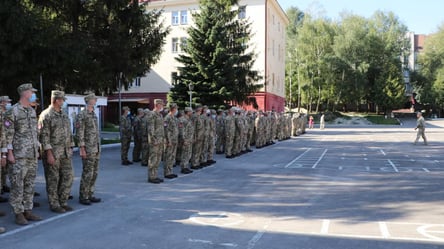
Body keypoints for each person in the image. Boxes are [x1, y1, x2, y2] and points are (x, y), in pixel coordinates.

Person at [4, 83, 42, 225]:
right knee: (17, 185)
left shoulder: (31, 111)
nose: (33, 94)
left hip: (31, 154)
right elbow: (8, 134)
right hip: (18, 155)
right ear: (25, 93)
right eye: (31, 92)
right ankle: (18, 213)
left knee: (30, 184)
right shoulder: (13, 111)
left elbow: (34, 133)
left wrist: (37, 150)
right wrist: (9, 153)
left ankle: (28, 210)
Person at [38, 90, 74, 213]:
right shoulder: (46, 115)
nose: (63, 102)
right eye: (62, 100)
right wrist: (49, 154)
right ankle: (54, 204)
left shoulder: (63, 114)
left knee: (68, 177)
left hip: (64, 153)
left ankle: (63, 201)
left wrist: (70, 147)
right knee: (53, 179)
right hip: (53, 153)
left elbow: (69, 133)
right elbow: (44, 136)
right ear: (56, 100)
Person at [77, 93, 101, 205]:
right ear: (88, 100)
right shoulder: (82, 115)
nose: (95, 99)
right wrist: (82, 148)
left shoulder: (93, 114)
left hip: (96, 148)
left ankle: (90, 193)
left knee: (94, 173)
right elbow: (80, 133)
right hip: (88, 148)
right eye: (94, 98)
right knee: (87, 173)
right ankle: (83, 195)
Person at [147, 99, 165, 184]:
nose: (162, 106)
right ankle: (151, 177)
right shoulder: (152, 114)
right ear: (157, 104)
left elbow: (161, 129)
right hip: (155, 141)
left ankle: (155, 175)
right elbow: (150, 129)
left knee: (158, 159)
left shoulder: (160, 115)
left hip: (160, 140)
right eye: (161, 104)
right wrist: (154, 140)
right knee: (153, 158)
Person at [0, 95, 12, 203]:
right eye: (7, 102)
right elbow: (4, 129)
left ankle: (3, 185)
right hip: (3, 143)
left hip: (6, 143)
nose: (8, 103)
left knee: (4, 169)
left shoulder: (6, 114)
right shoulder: (2, 114)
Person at [163, 103, 179, 179]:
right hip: (170, 141)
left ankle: (170, 171)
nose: (177, 110)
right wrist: (168, 141)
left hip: (175, 140)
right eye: (176, 108)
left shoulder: (175, 118)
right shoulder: (167, 118)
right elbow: (166, 130)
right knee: (168, 156)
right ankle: (167, 173)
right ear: (173, 109)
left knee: (172, 156)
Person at [179, 107, 194, 174]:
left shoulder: (189, 119)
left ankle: (186, 166)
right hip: (186, 140)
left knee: (188, 154)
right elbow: (182, 131)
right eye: (191, 112)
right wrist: (184, 139)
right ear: (187, 112)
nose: (191, 113)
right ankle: (183, 167)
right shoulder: (182, 120)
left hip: (189, 139)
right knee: (185, 154)